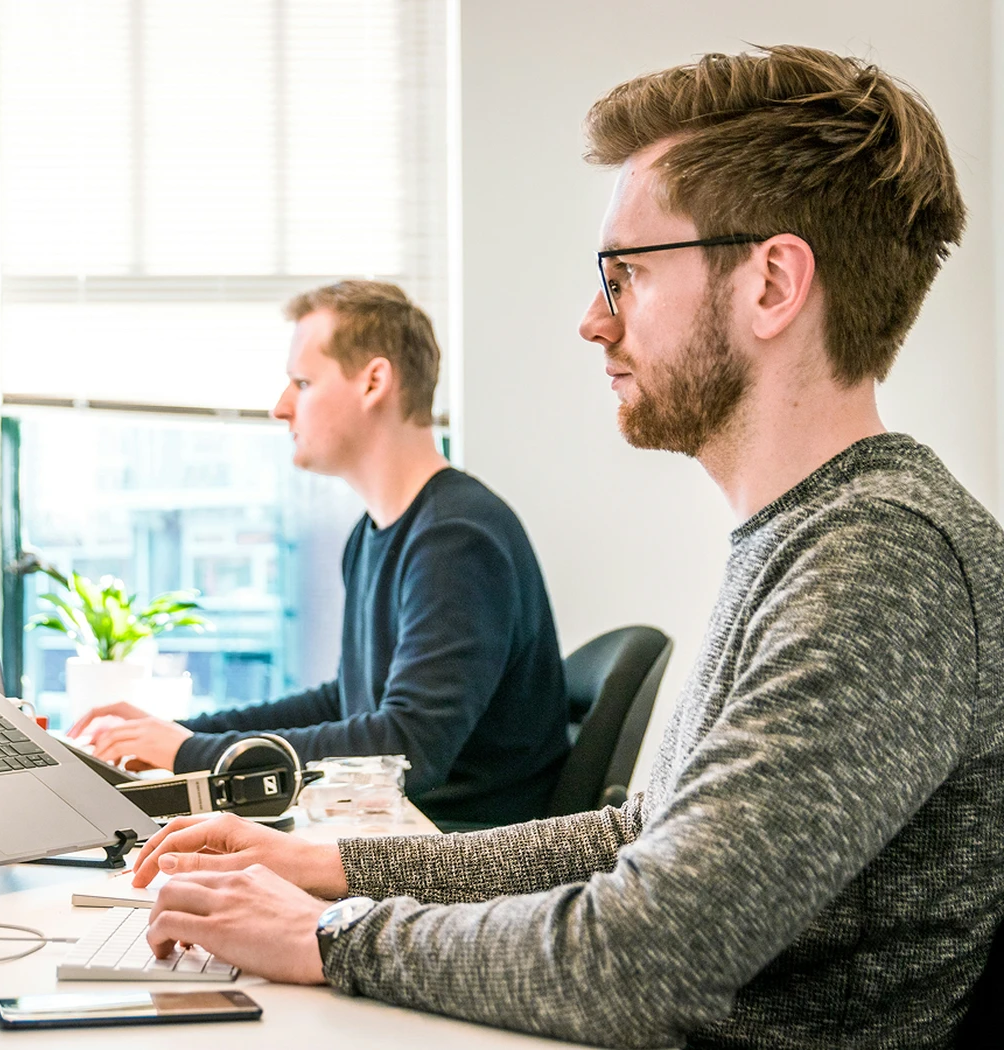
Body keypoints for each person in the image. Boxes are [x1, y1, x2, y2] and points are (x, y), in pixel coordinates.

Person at [123, 46, 1004, 1048]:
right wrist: (328, 869)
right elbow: (638, 838)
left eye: (623, 275)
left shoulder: (879, 563)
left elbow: (642, 956)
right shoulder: (805, 538)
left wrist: (329, 935)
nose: (592, 321)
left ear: (768, 284)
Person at [70, 280, 569, 827]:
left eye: (302, 382)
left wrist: (190, 754)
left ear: (374, 382)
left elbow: (407, 749)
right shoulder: (375, 534)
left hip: (457, 854)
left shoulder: (457, 539)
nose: (280, 407)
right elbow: (347, 703)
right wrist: (185, 733)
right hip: (400, 831)